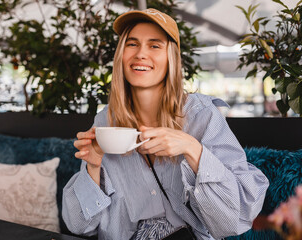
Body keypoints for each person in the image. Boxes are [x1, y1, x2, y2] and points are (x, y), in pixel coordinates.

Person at [62, 8, 269, 240]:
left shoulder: (202, 115)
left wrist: (192, 148)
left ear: (171, 57)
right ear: (121, 54)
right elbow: (79, 227)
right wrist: (93, 167)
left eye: (154, 45)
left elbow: (237, 217)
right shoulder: (105, 121)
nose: (141, 53)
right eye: (132, 44)